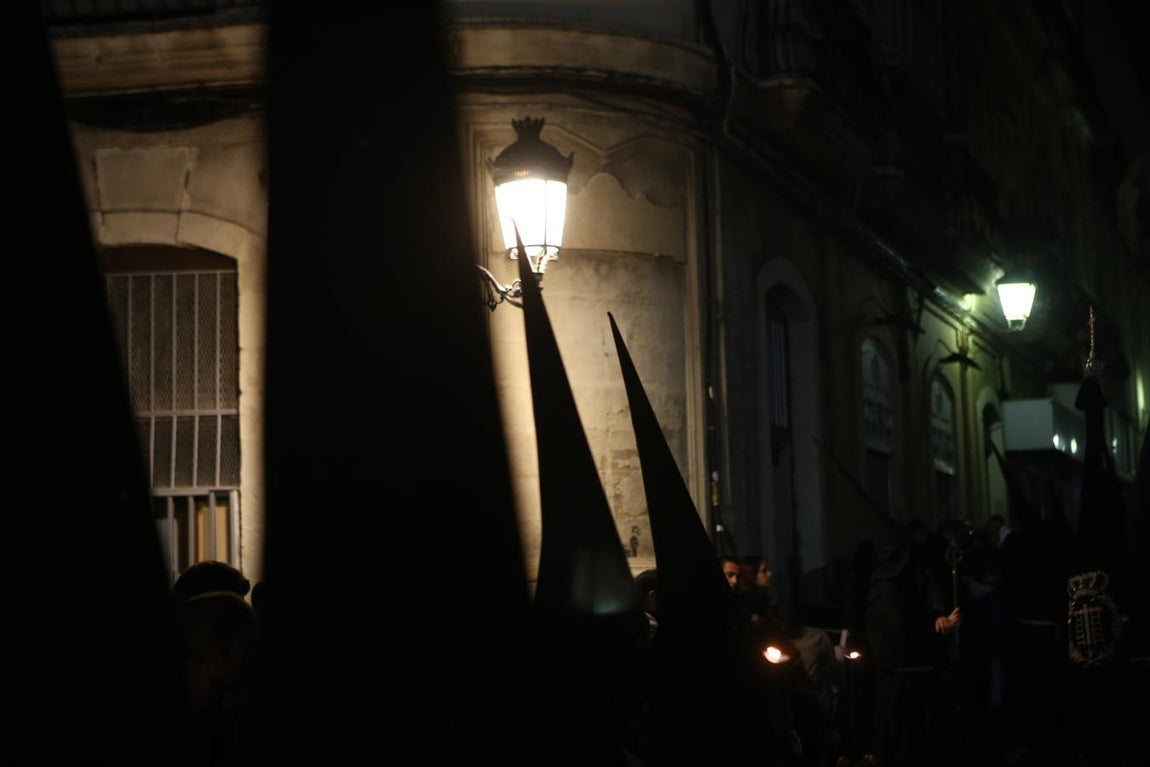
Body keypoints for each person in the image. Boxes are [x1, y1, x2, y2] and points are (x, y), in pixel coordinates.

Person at [865, 524, 963, 767]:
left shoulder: (893, 585)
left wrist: (938, 620)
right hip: (904, 689)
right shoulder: (889, 591)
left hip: (907, 684)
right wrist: (939, 629)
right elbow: (901, 638)